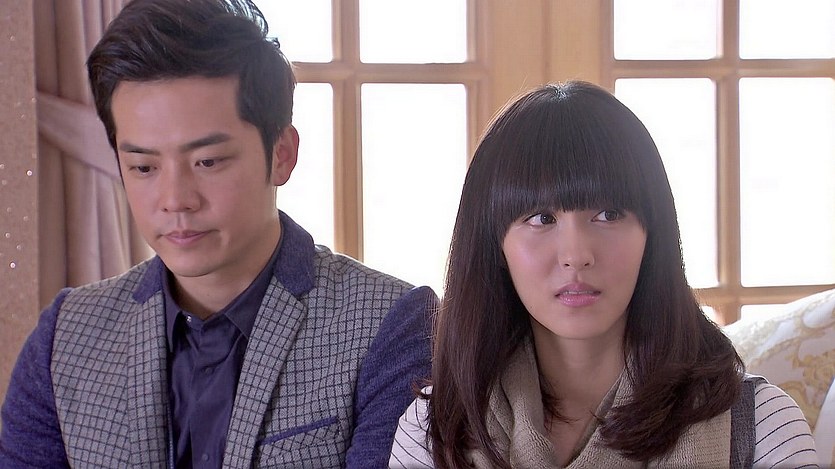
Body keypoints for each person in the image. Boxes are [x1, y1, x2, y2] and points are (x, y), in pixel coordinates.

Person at [0, 1, 436, 467]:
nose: (175, 199)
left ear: (281, 154)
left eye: (207, 161)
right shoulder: (65, 338)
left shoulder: (392, 326)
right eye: (143, 167)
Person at [389, 81, 818, 468]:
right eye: (541, 218)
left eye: (609, 214)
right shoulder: (433, 432)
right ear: (494, 245)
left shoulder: (761, 425)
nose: (576, 255)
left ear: (652, 235)